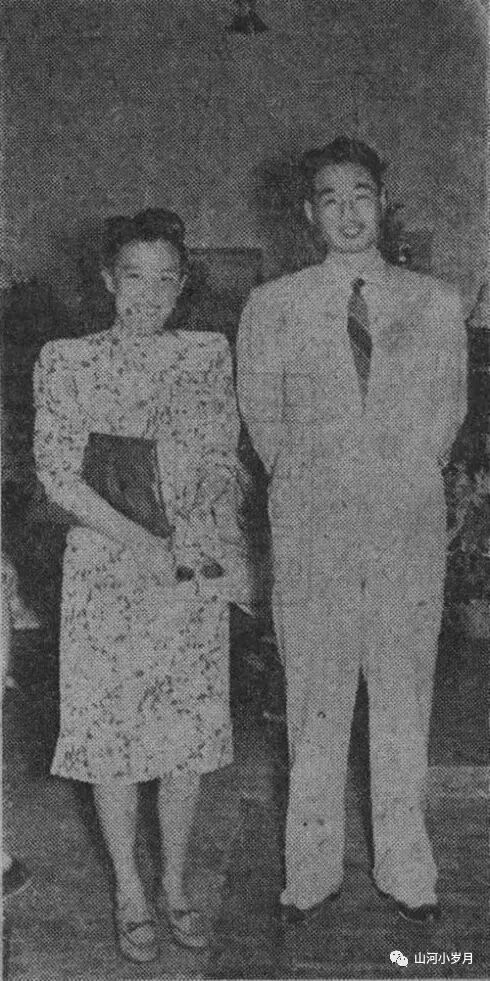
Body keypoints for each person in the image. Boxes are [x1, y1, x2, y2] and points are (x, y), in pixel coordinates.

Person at [237, 137, 467, 924]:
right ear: (309, 212)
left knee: (403, 696)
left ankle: (407, 868)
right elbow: (263, 421)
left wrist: (394, 478)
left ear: (382, 202)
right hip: (313, 530)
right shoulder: (273, 305)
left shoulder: (435, 302)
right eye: (330, 198)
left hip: (404, 528)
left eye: (360, 194)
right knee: (315, 699)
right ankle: (309, 872)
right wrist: (315, 488)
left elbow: (447, 413)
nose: (347, 211)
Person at [33, 208, 248, 962]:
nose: (148, 294)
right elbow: (58, 477)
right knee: (114, 738)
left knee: (184, 740)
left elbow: (222, 451)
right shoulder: (67, 359)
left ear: (183, 285)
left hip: (187, 565)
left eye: (164, 279)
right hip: (106, 568)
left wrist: (203, 514)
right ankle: (129, 888)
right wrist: (145, 542)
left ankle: (176, 883)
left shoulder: (206, 352)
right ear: (107, 280)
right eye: (133, 276)